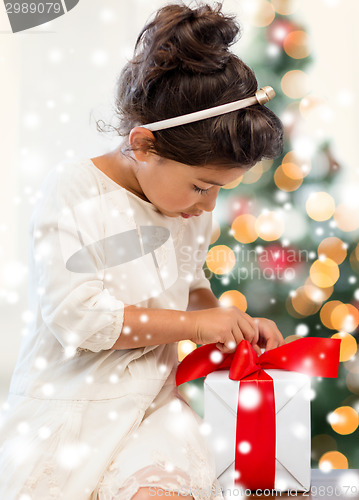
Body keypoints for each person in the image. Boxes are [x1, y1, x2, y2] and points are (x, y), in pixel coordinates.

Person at [0, 2, 285, 499]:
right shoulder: (75, 190)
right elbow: (78, 318)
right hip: (72, 408)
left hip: (155, 405)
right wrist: (196, 326)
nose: (209, 205)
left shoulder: (186, 210)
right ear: (145, 145)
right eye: (201, 187)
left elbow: (189, 288)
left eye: (220, 189)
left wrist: (227, 322)